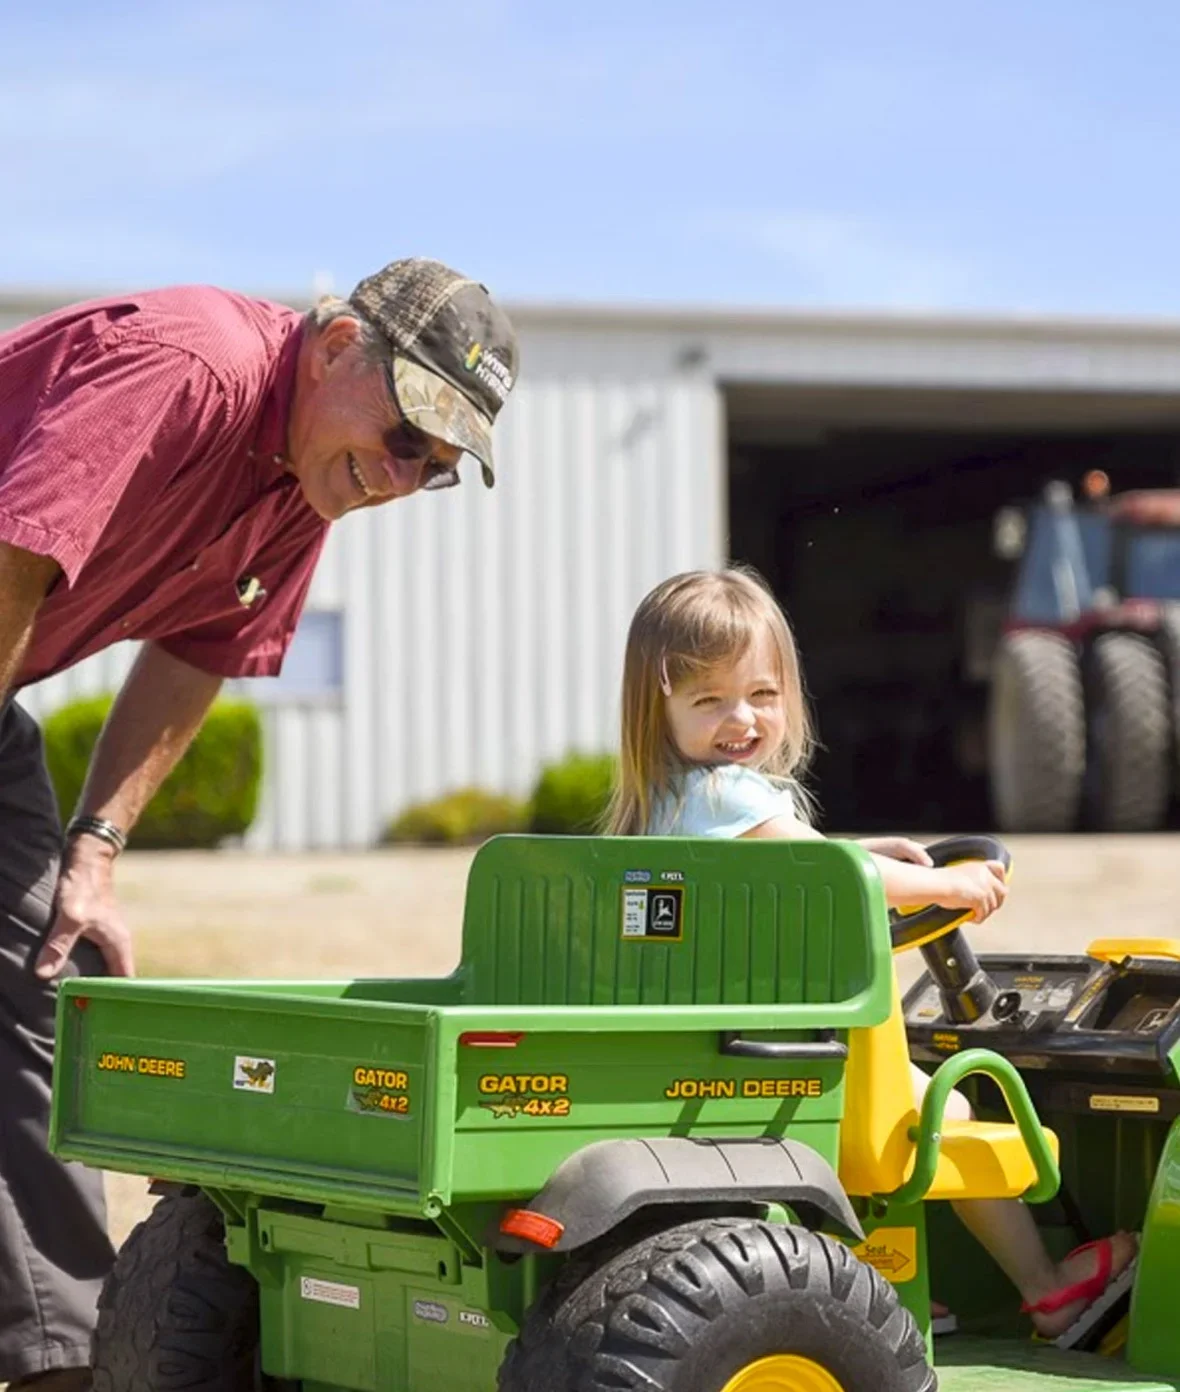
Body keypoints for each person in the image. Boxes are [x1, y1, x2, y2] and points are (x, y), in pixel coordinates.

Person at [0, 259, 518, 1390]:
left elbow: (199, 652)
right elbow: (12, 559)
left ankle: (60, 1364)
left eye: (433, 467)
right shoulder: (187, 370)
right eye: (405, 434)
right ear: (335, 348)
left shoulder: (302, 492)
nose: (400, 478)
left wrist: (96, 847)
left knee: (41, 971)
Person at [605, 565, 1138, 1346]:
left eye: (761, 694)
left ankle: (879, 1275)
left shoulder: (669, 802)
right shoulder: (725, 795)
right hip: (781, 1060)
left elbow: (806, 860)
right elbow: (829, 875)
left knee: (919, 1104)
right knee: (949, 1112)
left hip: (723, 1052)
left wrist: (868, 852)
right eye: (708, 700)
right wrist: (950, 886)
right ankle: (1046, 1287)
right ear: (658, 711)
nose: (740, 718)